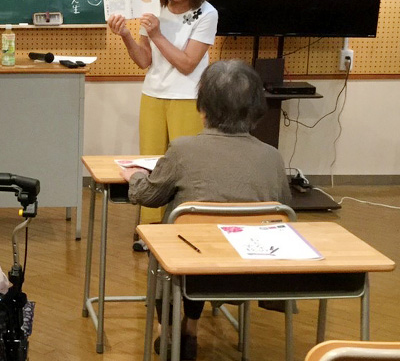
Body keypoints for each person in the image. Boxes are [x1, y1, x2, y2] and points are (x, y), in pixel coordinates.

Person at [120, 59, 292, 360]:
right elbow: (285, 214)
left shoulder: (183, 150)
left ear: (202, 108)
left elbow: (148, 196)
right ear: (256, 108)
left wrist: (134, 177)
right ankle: (192, 327)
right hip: (251, 271)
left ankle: (167, 329)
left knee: (167, 241)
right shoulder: (273, 158)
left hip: (191, 268)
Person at [108, 0, 219, 235]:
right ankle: (150, 230)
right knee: (151, 166)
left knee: (187, 166)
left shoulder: (207, 14)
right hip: (153, 96)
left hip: (188, 98)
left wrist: (156, 33)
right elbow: (144, 60)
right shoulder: (153, 9)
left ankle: (187, 227)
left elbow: (187, 63)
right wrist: (126, 35)